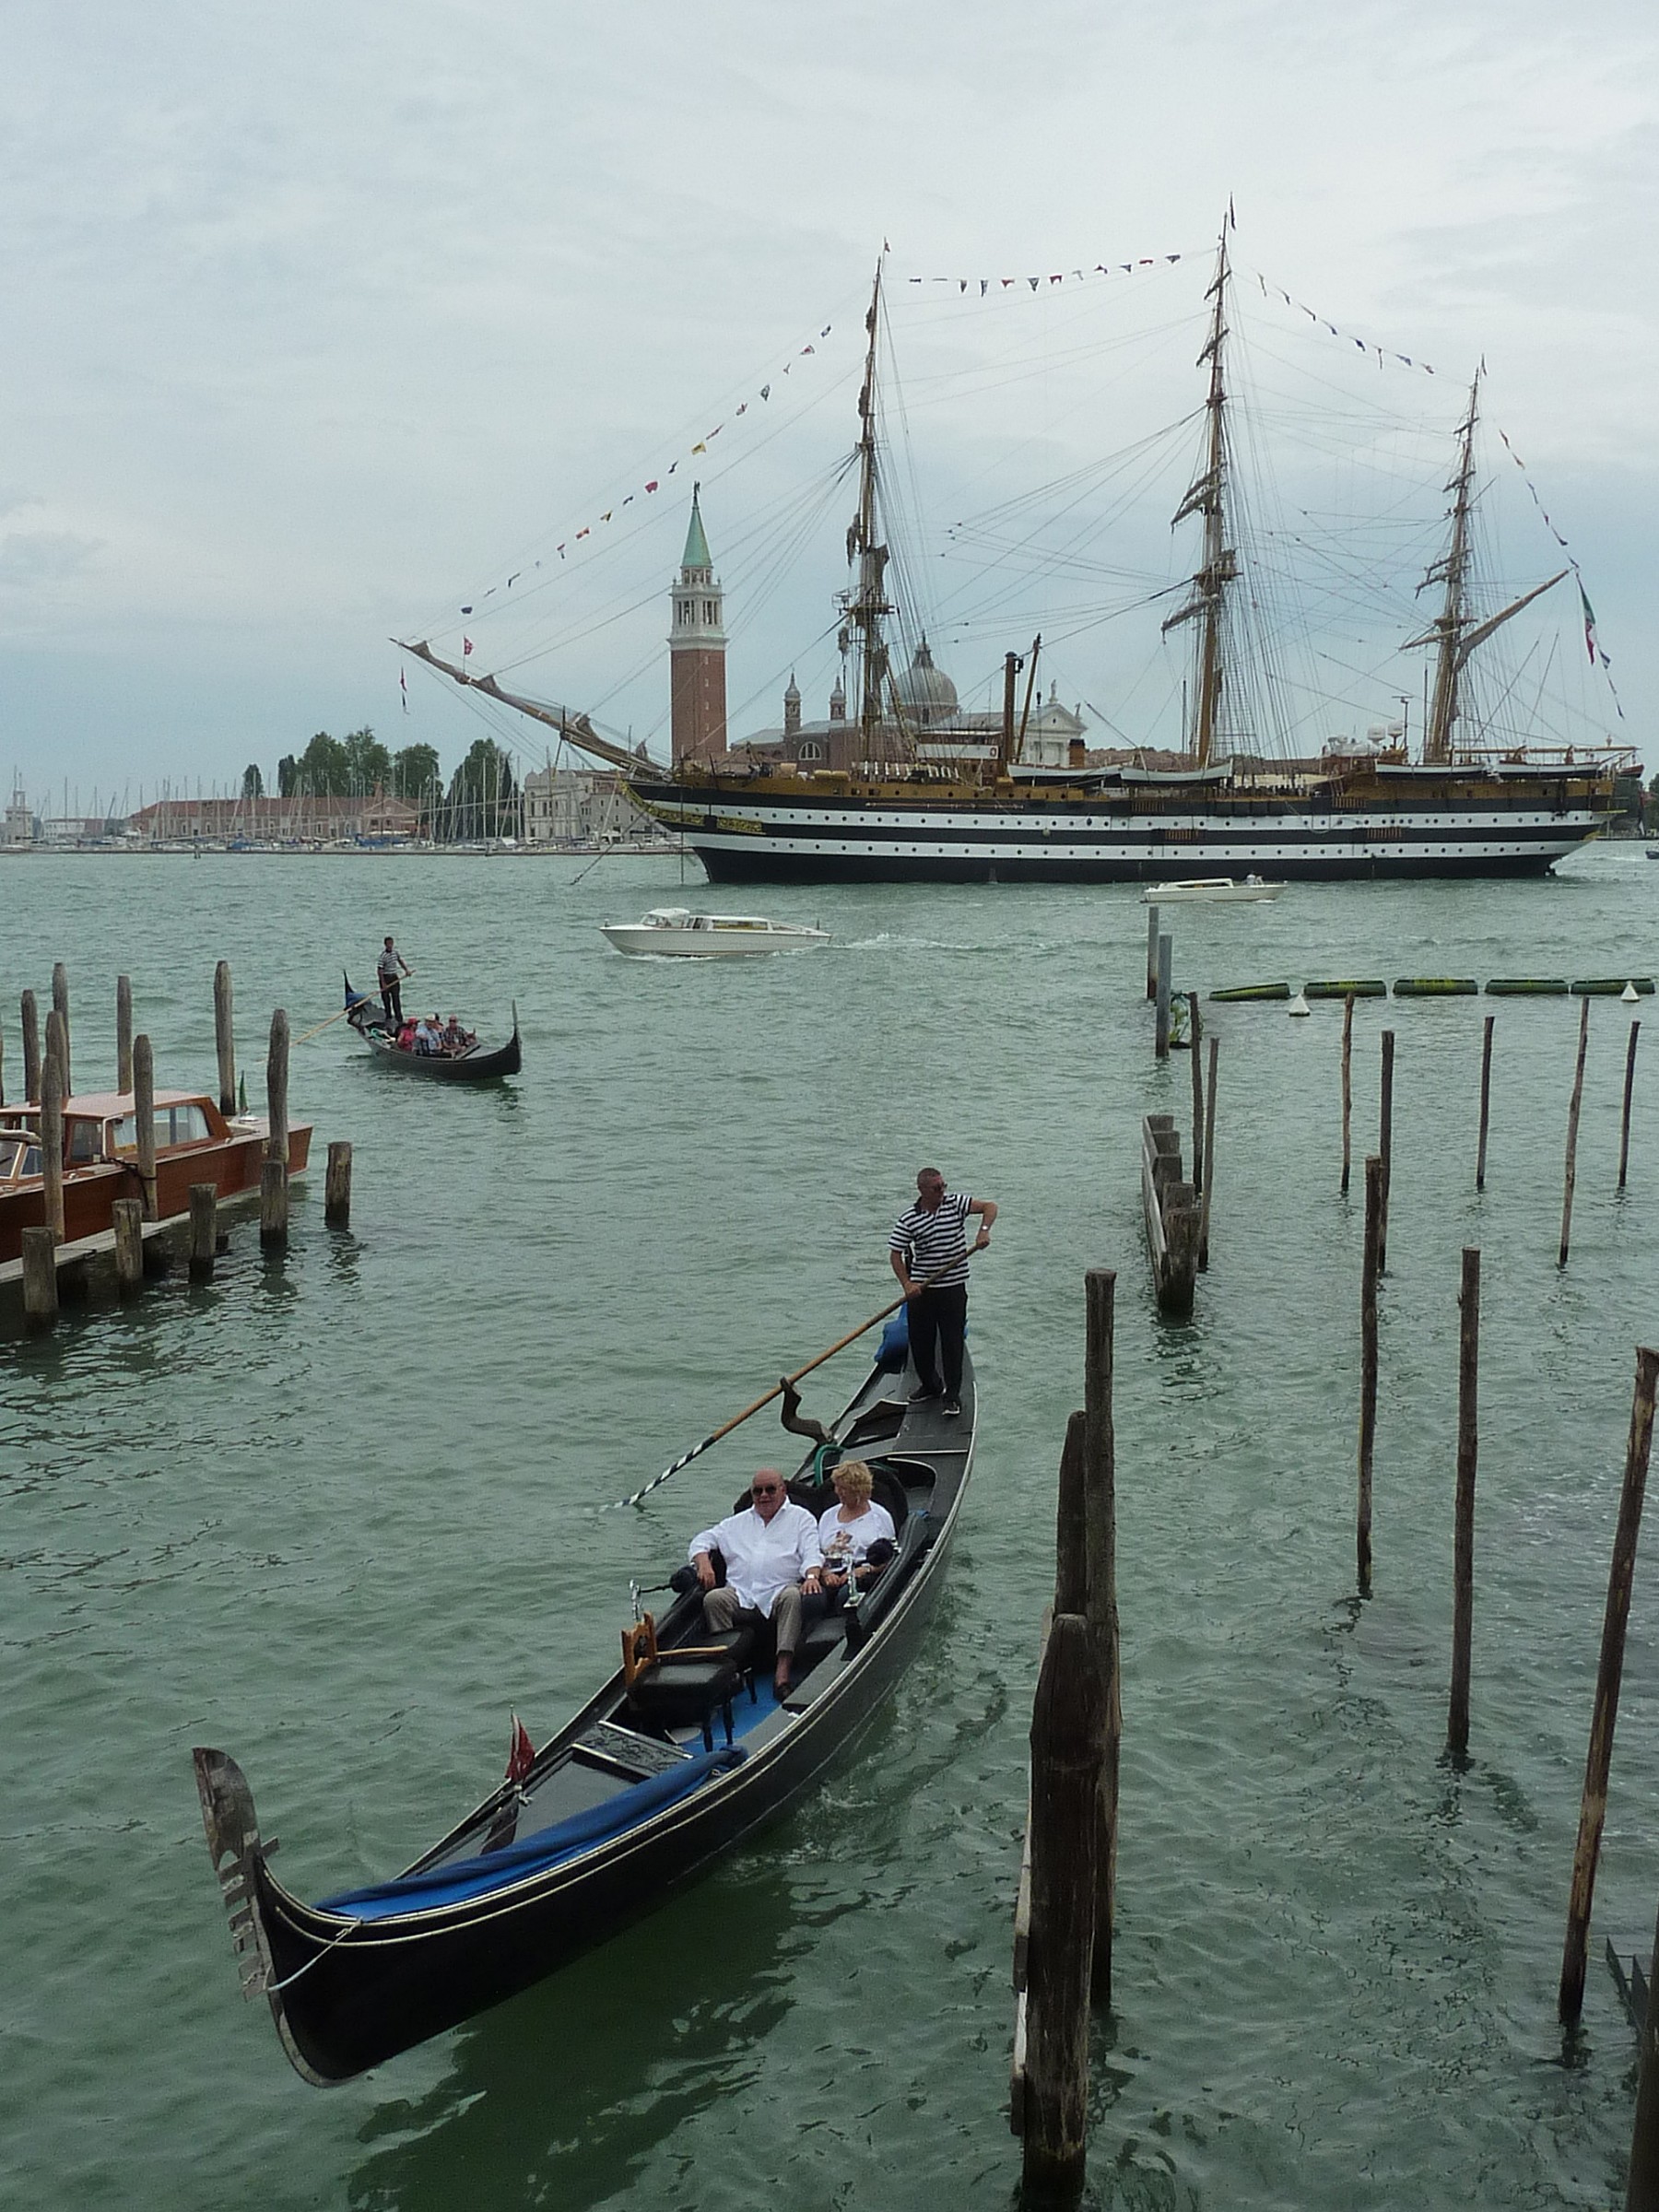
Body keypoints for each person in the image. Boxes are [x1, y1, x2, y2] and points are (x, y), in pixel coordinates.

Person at [688, 1470, 824, 1697]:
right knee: (713, 1599)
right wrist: (703, 1563)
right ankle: (729, 1671)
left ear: (782, 1490)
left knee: (793, 1596)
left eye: (770, 1489)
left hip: (779, 1592)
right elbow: (701, 1540)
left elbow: (812, 1553)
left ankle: (782, 1676)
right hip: (741, 1594)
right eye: (757, 1491)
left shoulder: (801, 1519)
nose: (763, 1496)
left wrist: (811, 1577)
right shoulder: (736, 1523)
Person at [888, 1166, 997, 1418]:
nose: (942, 1191)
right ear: (922, 1190)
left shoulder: (955, 1204)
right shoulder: (909, 1219)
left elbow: (990, 1207)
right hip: (922, 1291)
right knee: (921, 1343)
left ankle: (952, 1397)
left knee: (952, 1343)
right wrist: (907, 1284)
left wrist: (983, 1232)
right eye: (937, 1188)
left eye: (943, 1186)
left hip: (953, 1289)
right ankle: (930, 1385)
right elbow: (895, 1254)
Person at [817, 1460, 897, 1603]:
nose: (838, 1492)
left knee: (844, 1597)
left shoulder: (880, 1517)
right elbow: (817, 1552)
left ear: (858, 1490)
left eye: (843, 1489)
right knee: (812, 1599)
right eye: (837, 1487)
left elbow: (888, 1557)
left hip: (862, 1572)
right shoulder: (828, 1516)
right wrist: (825, 1574)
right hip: (830, 1572)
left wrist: (863, 1570)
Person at [377, 936, 411, 1027]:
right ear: (385, 944)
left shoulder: (395, 953)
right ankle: (388, 1017)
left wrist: (406, 970)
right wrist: (383, 983)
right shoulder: (383, 956)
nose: (390, 945)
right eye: (388, 944)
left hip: (394, 978)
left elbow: (400, 961)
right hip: (385, 978)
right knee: (386, 999)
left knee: (396, 999)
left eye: (391, 943)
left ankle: (399, 1019)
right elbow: (380, 970)